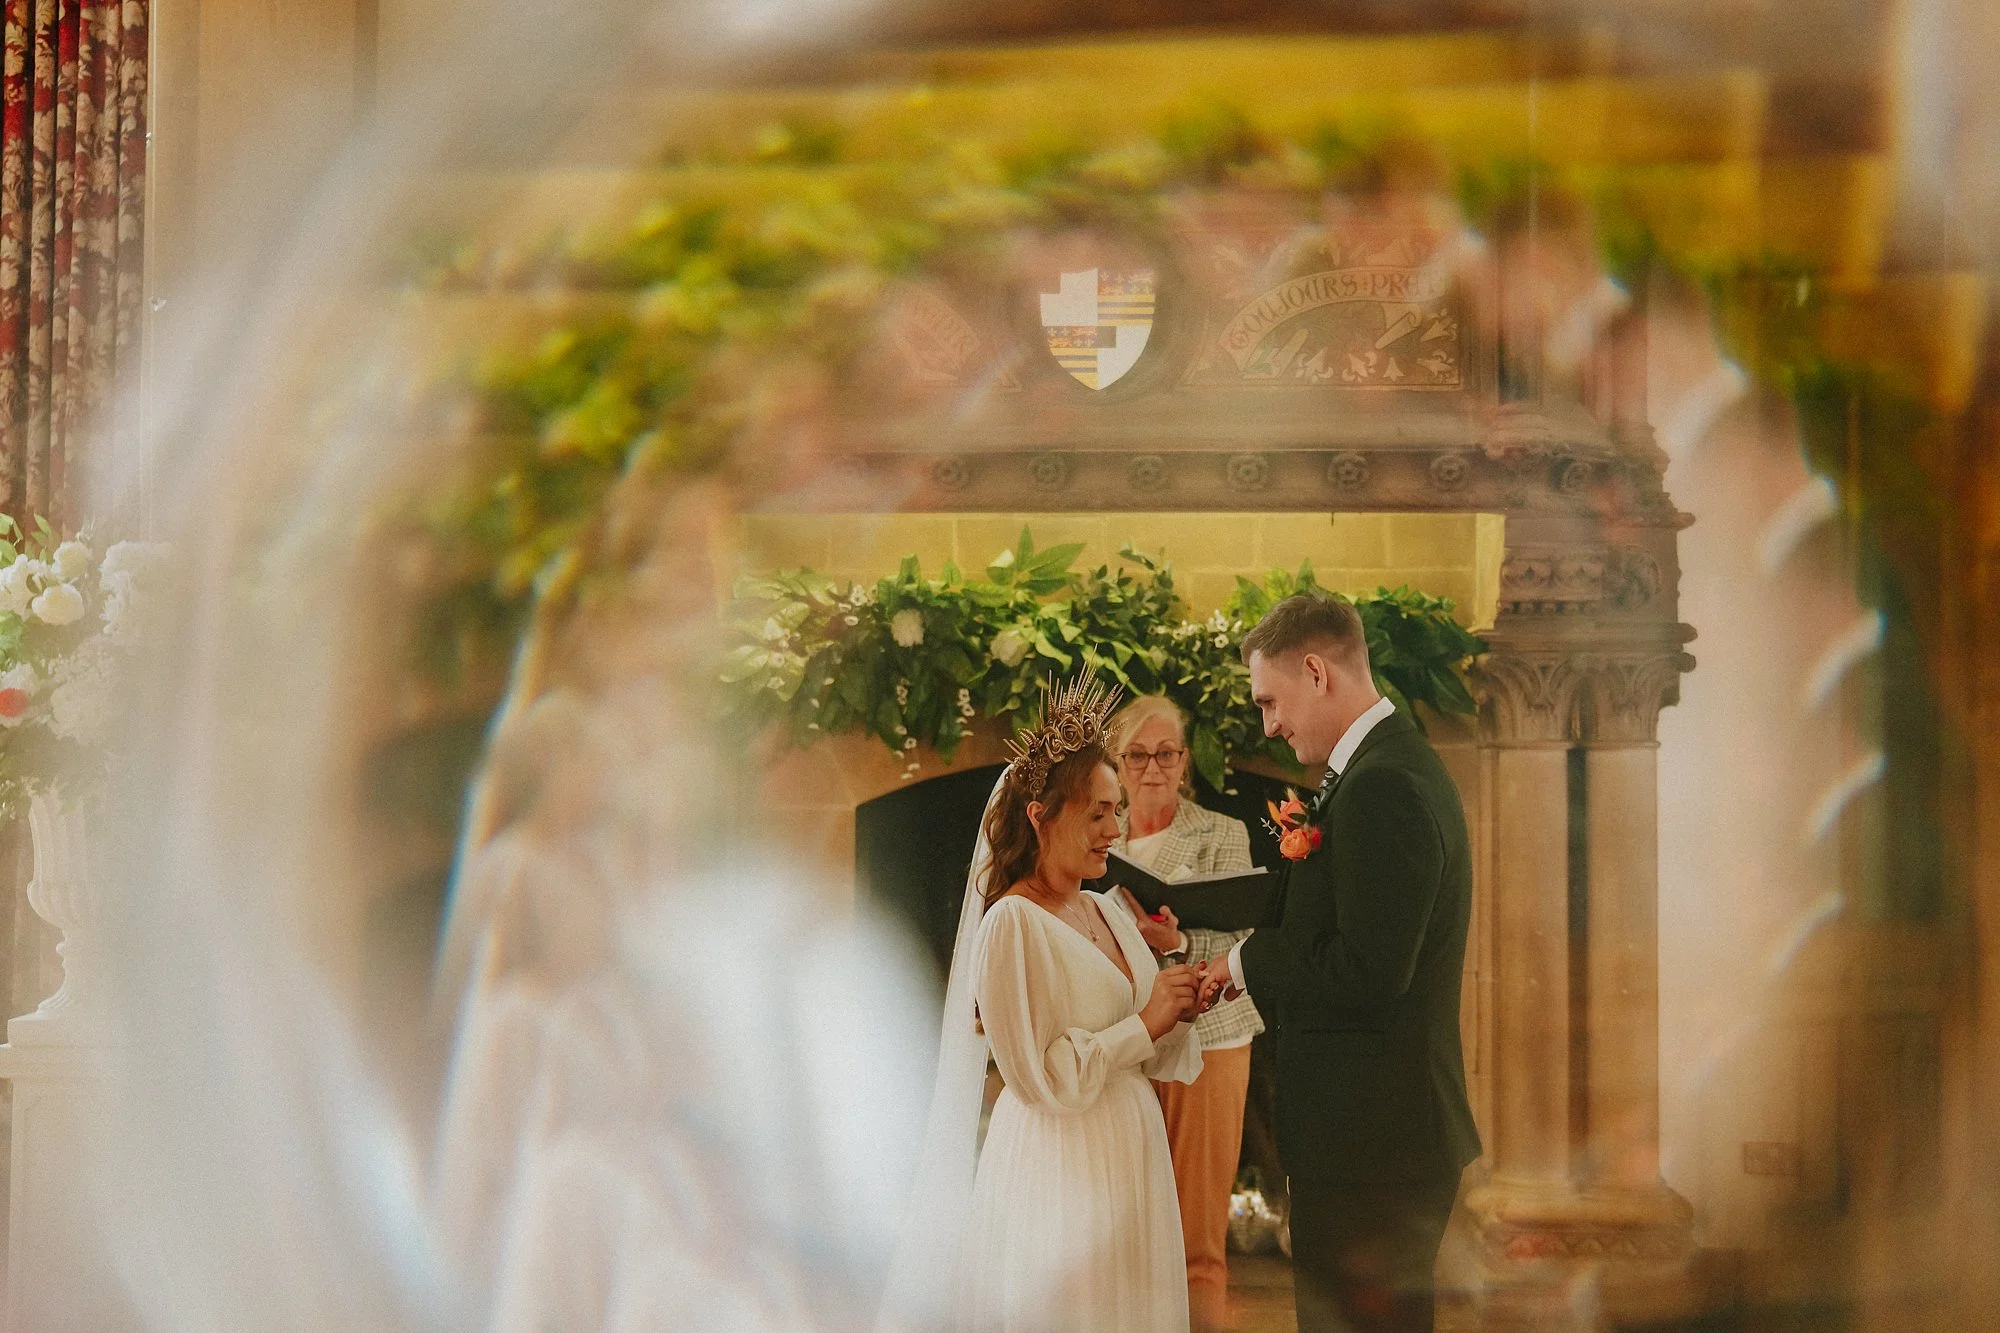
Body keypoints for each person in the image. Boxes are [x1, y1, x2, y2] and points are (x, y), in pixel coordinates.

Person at [880, 677, 1223, 1333]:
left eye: (1116, 811)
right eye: (1096, 814)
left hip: (1131, 1155)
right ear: (1040, 816)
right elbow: (1040, 1078)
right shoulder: (1011, 925)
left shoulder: (1108, 909)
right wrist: (1146, 1022)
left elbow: (1154, 1048)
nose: (1114, 830)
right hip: (1060, 1166)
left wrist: (1180, 1003)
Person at [1204, 593, 1481, 1333]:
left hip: (1373, 1147)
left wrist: (1250, 960)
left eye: (1270, 701)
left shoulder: (1383, 787)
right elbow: (1326, 907)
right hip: (1371, 1138)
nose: (1269, 724)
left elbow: (1370, 968)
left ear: (1316, 672)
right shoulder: (1377, 769)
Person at [1105, 695, 1262, 1333]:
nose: (1152, 768)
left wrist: (1175, 943)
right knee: (1123, 1225)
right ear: (1117, 763)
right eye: (1137, 755)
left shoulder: (1221, 833)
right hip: (1121, 1039)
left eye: (1166, 754)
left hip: (1209, 1039)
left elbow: (1246, 944)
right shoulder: (1097, 834)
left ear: (1185, 760)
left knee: (1195, 1231)